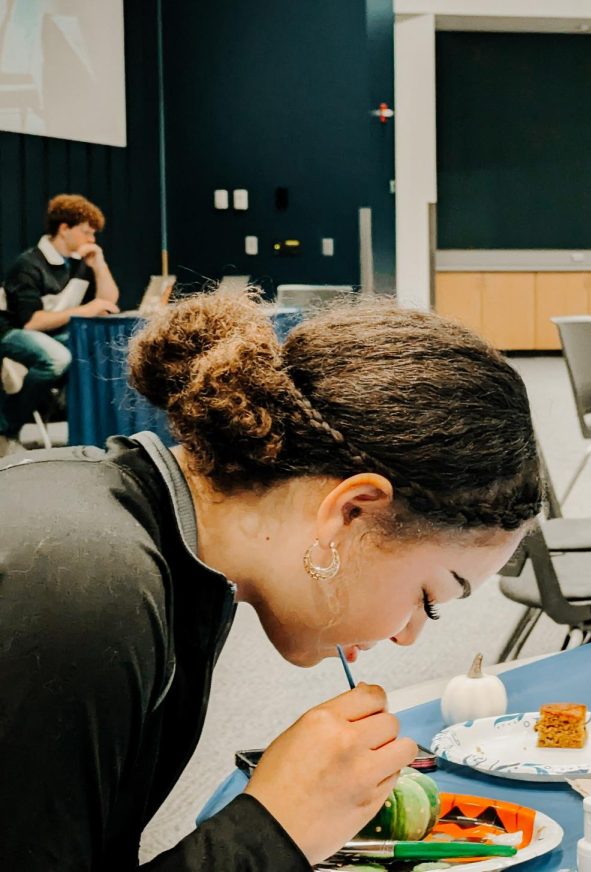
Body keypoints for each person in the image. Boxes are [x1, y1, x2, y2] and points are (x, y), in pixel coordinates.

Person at [0, 291, 543, 869]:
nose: (408, 635)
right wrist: (276, 825)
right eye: (428, 598)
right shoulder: (82, 588)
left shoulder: (170, 561)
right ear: (352, 511)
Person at [0, 193, 120, 453]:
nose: (92, 240)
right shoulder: (28, 264)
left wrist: (99, 265)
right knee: (57, 358)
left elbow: (109, 301)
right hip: (13, 333)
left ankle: (89, 431)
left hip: (57, 333)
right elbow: (31, 322)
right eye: (87, 233)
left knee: (98, 348)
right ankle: (7, 426)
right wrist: (88, 309)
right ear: (64, 229)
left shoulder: (79, 263)